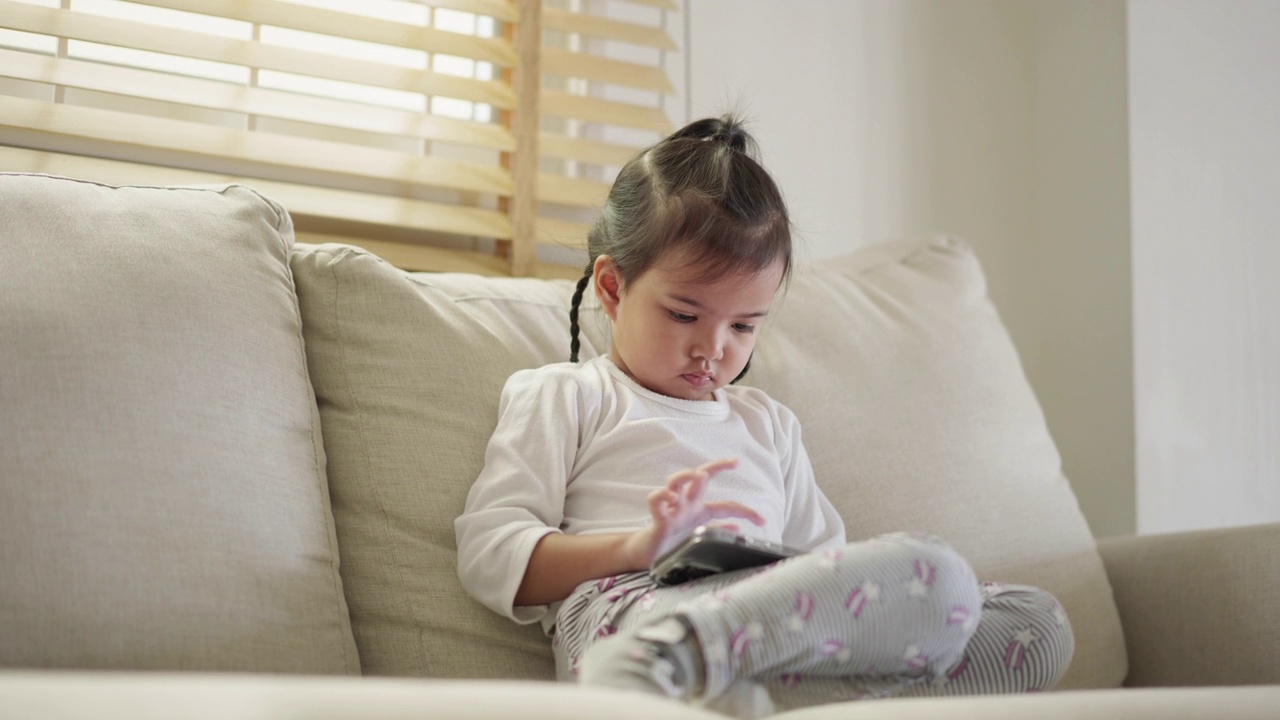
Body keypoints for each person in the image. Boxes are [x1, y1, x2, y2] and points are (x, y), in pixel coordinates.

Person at [454, 115, 1073, 717]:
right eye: (683, 315)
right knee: (932, 571)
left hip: (767, 635)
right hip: (635, 609)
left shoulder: (766, 424)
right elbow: (491, 553)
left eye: (743, 325)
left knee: (1033, 623)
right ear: (613, 289)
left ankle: (738, 702)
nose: (713, 348)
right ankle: (667, 664)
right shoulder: (567, 394)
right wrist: (640, 547)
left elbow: (829, 573)